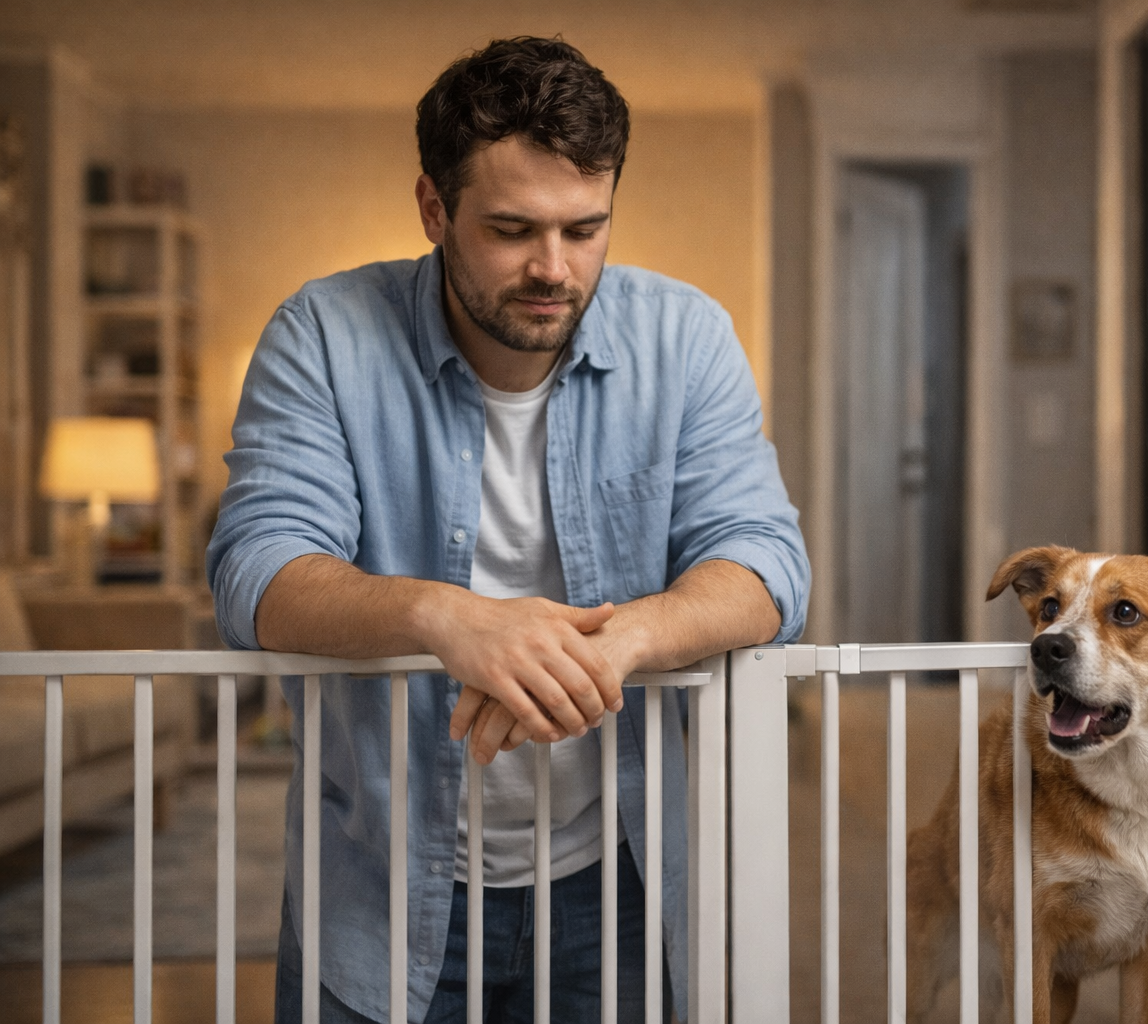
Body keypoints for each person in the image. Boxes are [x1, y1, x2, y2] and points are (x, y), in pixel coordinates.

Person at [207, 36, 809, 1024]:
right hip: (383, 881)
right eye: (512, 228)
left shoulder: (687, 336)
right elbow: (257, 571)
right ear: (433, 209)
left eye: (586, 228)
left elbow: (767, 563)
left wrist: (622, 642)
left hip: (617, 872)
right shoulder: (321, 333)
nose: (554, 267)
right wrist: (454, 620)